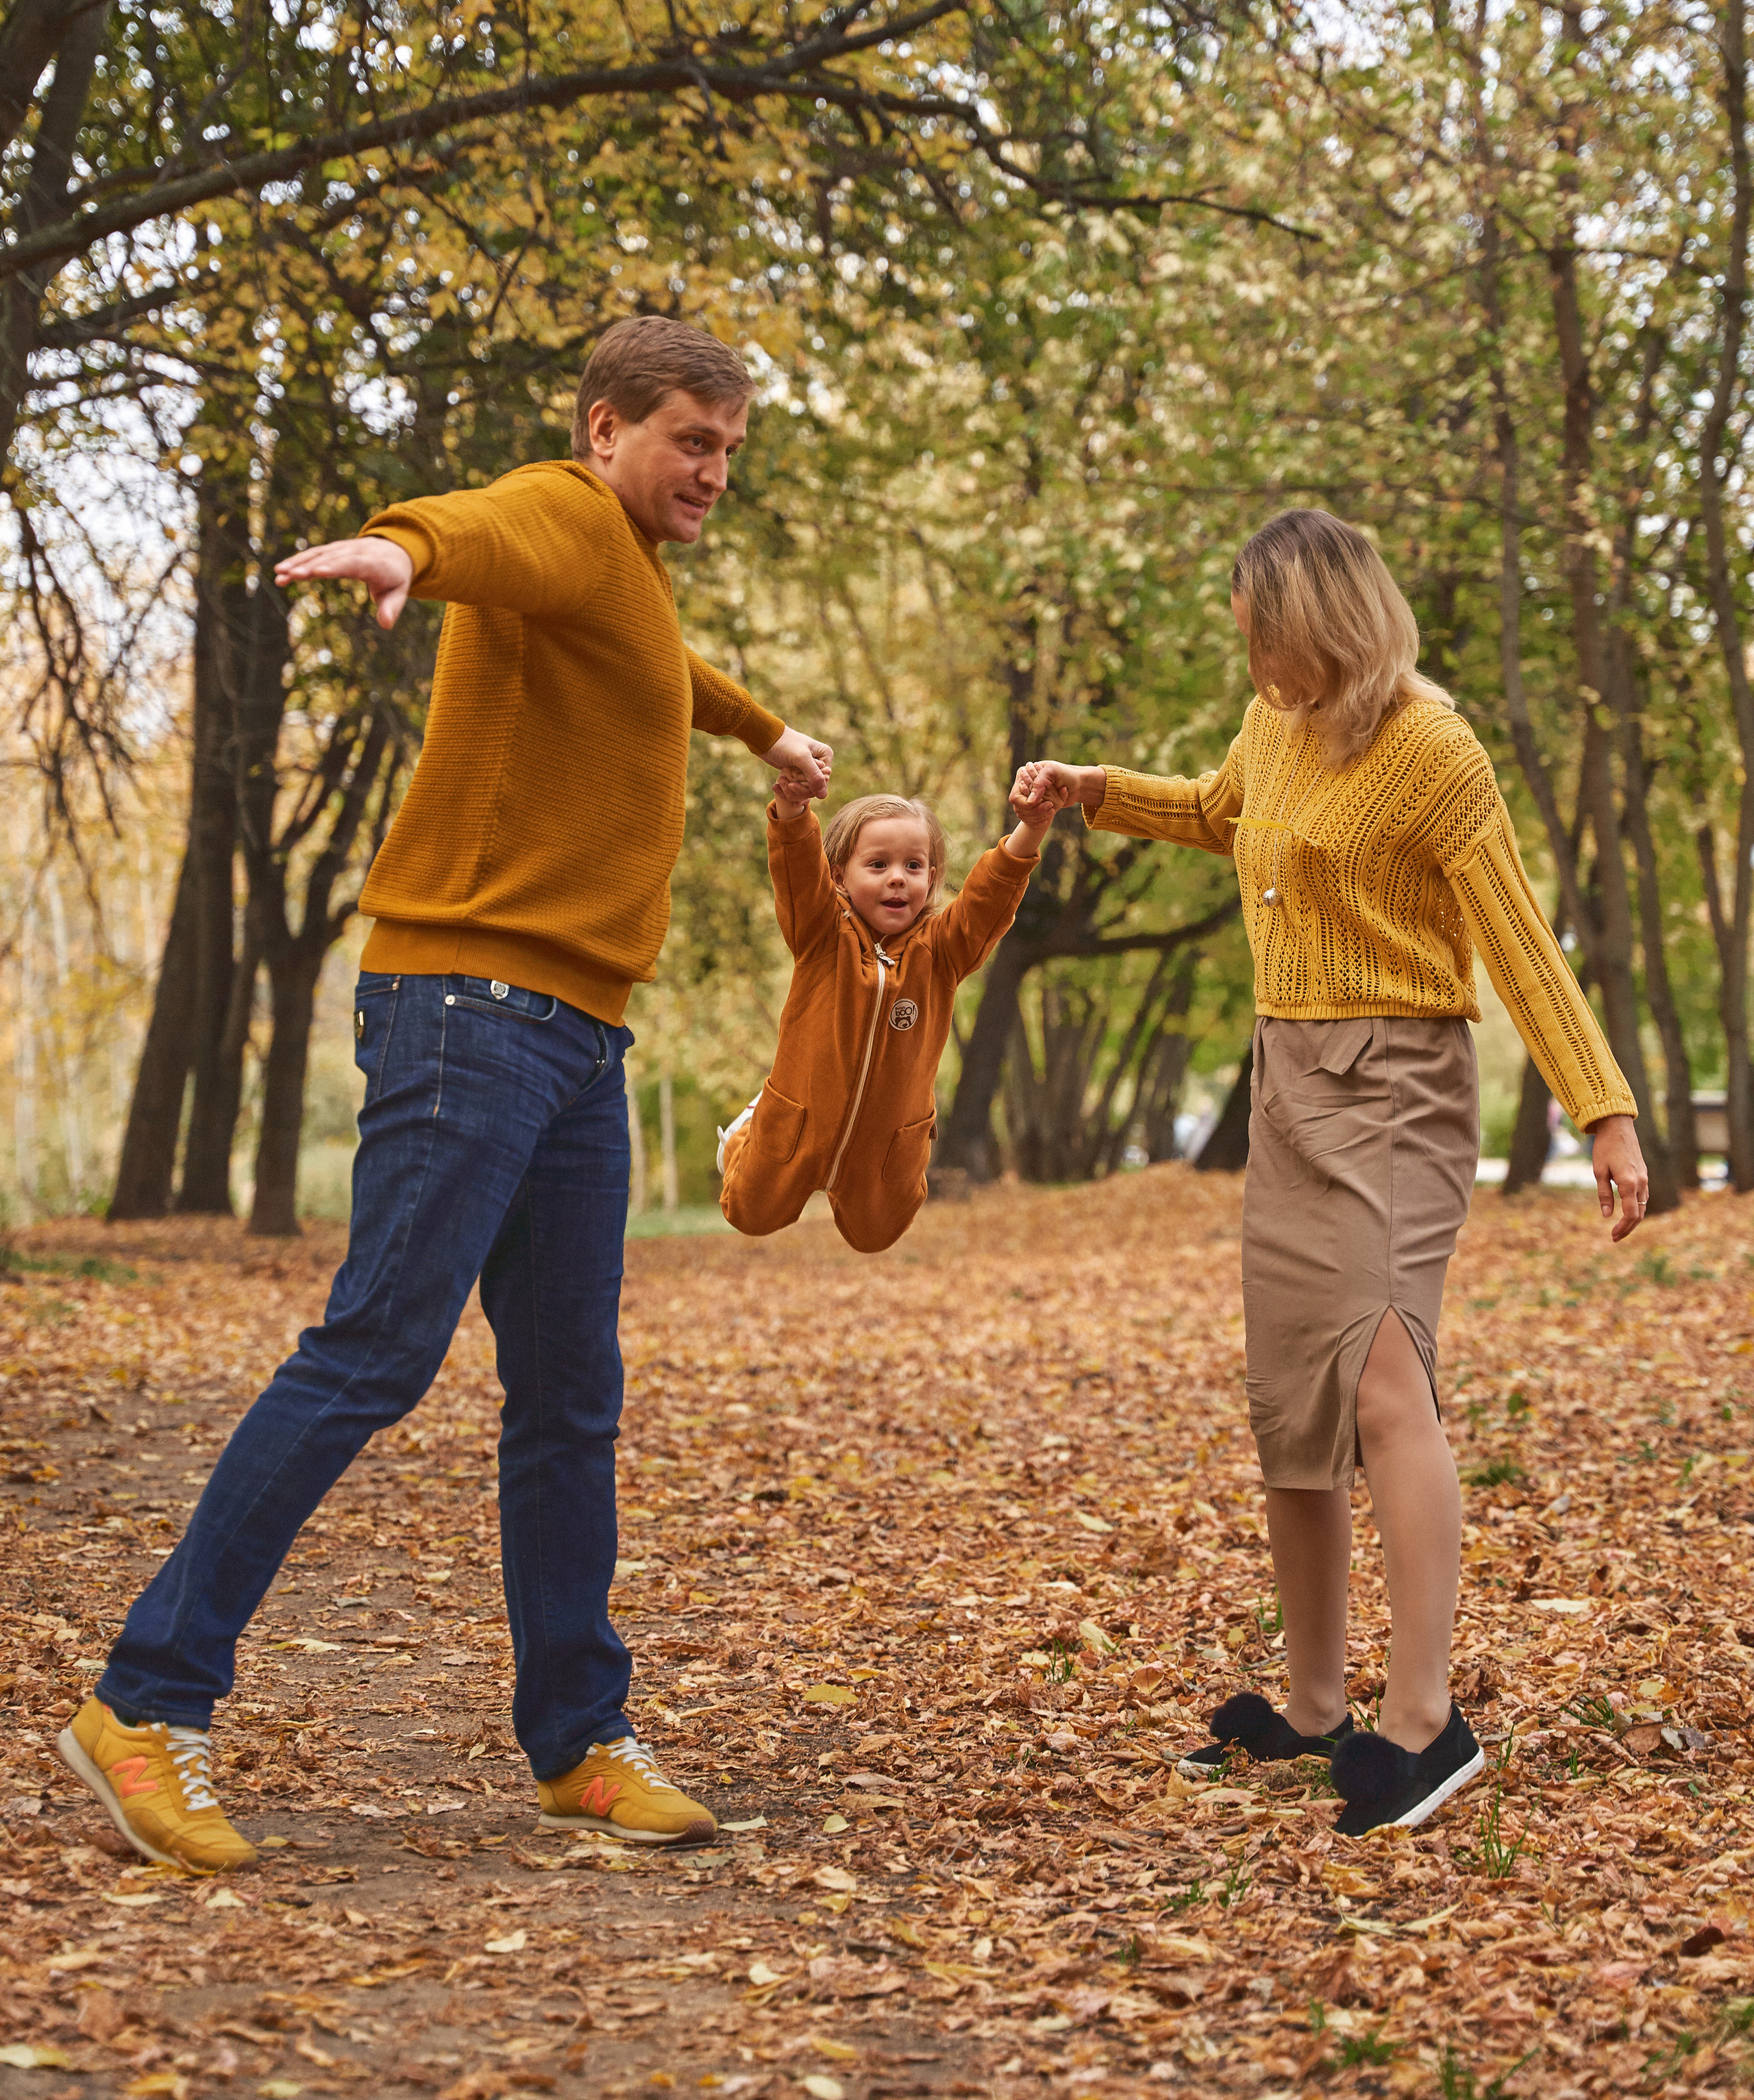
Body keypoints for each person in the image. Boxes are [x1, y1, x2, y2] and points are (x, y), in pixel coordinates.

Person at [61, 317, 833, 1873]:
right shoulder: (561, 511)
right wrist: (399, 547)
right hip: (471, 1007)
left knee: (567, 1391)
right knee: (372, 1352)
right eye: (691, 439)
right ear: (607, 426)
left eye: (727, 449)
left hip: (571, 1033)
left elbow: (658, 667)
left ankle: (577, 1734)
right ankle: (147, 1701)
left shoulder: (621, 575)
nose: (711, 472)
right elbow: (480, 532)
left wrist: (763, 730)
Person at [1012, 508, 1647, 1837]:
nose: (1245, 650)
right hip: (1288, 1093)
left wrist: (1602, 1112)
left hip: (1398, 1090)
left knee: (1377, 1373)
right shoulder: (1276, 722)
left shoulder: (1430, 749)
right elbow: (1210, 811)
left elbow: (1517, 943)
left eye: (1258, 628)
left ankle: (1426, 1720)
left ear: (1315, 625)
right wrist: (1090, 792)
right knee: (1292, 1404)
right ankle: (1313, 1708)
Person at [717, 779, 1050, 1250]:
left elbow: (987, 900)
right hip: (799, 1121)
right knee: (750, 1213)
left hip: (887, 1143)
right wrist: (792, 805)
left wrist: (1031, 830)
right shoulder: (819, 932)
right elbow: (795, 868)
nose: (898, 877)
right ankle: (745, 1130)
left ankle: (862, 1196)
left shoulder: (942, 950)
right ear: (837, 876)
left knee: (876, 1236)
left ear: (931, 879)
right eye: (878, 865)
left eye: (913, 866)